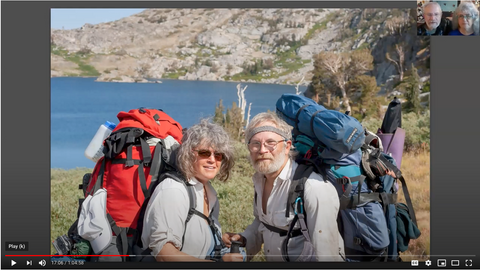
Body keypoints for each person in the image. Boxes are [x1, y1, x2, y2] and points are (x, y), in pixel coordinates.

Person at [222, 112, 345, 262]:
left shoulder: (313, 188)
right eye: (255, 143)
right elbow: (264, 223)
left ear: (287, 147)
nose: (262, 150)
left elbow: (326, 252)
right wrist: (244, 239)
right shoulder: (261, 179)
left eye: (270, 143)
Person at [141, 119, 243, 262]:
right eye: (204, 153)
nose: (212, 160)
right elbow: (164, 254)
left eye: (218, 155)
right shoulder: (173, 190)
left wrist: (217, 239)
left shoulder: (208, 192)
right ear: (189, 154)